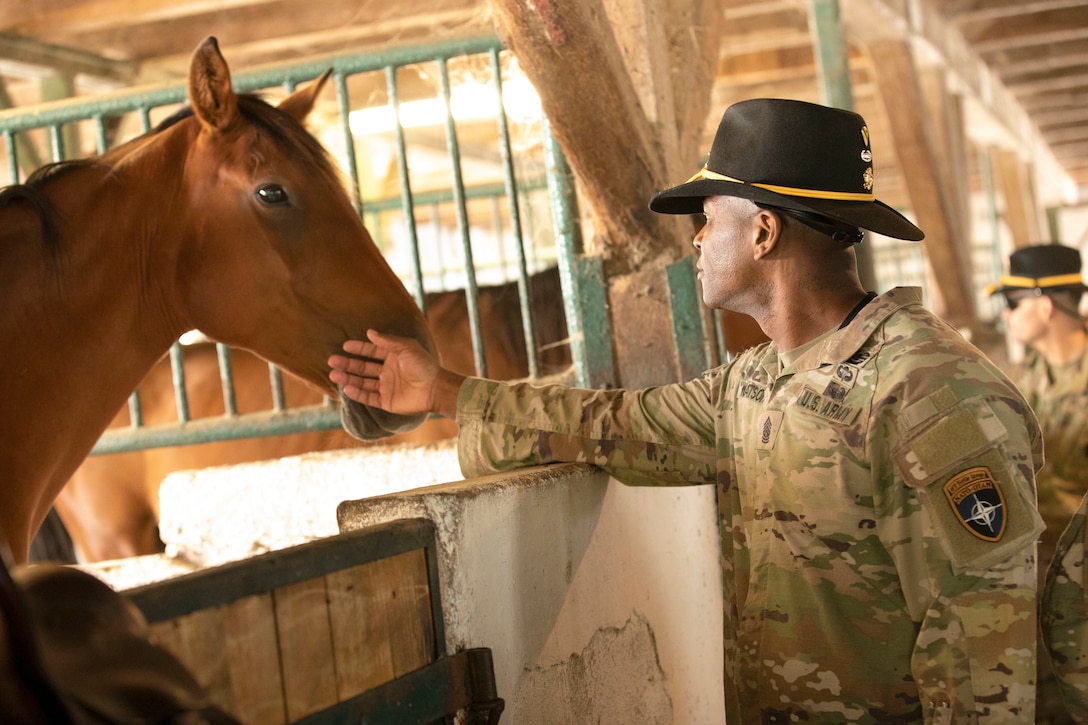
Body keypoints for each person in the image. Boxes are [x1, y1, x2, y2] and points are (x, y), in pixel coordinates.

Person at [329, 98, 1044, 723]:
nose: (697, 241)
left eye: (707, 220)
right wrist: (444, 393)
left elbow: (983, 657)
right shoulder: (754, 383)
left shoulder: (928, 393)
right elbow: (616, 426)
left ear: (763, 233)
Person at [988, 244, 1088, 721]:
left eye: (1011, 303)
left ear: (1044, 306)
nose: (1005, 317)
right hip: (1038, 578)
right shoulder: (1021, 383)